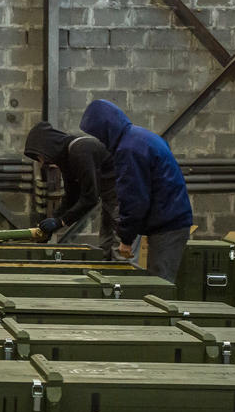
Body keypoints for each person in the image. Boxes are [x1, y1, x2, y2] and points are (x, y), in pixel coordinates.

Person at [79, 99, 193, 282]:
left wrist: (126, 238)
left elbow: (134, 199)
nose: (100, 140)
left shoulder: (129, 149)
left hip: (168, 225)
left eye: (99, 134)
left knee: (159, 286)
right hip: (170, 220)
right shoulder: (141, 137)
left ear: (106, 129)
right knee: (158, 281)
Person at [23, 121, 129, 260]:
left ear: (47, 147)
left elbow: (90, 198)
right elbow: (72, 196)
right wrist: (53, 220)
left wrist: (61, 221)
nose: (41, 162)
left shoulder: (81, 150)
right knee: (105, 250)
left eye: (39, 157)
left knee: (120, 253)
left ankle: (121, 280)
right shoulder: (67, 159)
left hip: (124, 196)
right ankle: (109, 279)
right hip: (110, 198)